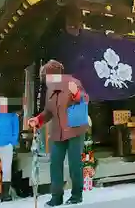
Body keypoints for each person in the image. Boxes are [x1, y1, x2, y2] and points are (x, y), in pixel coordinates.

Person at [28, 60, 89, 206]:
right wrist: (38, 120)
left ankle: (76, 195)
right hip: (58, 131)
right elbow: (49, 112)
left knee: (75, 163)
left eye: (47, 76)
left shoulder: (72, 82)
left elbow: (84, 98)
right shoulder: (50, 89)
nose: (46, 80)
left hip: (74, 129)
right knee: (55, 163)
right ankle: (56, 196)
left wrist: (76, 94)